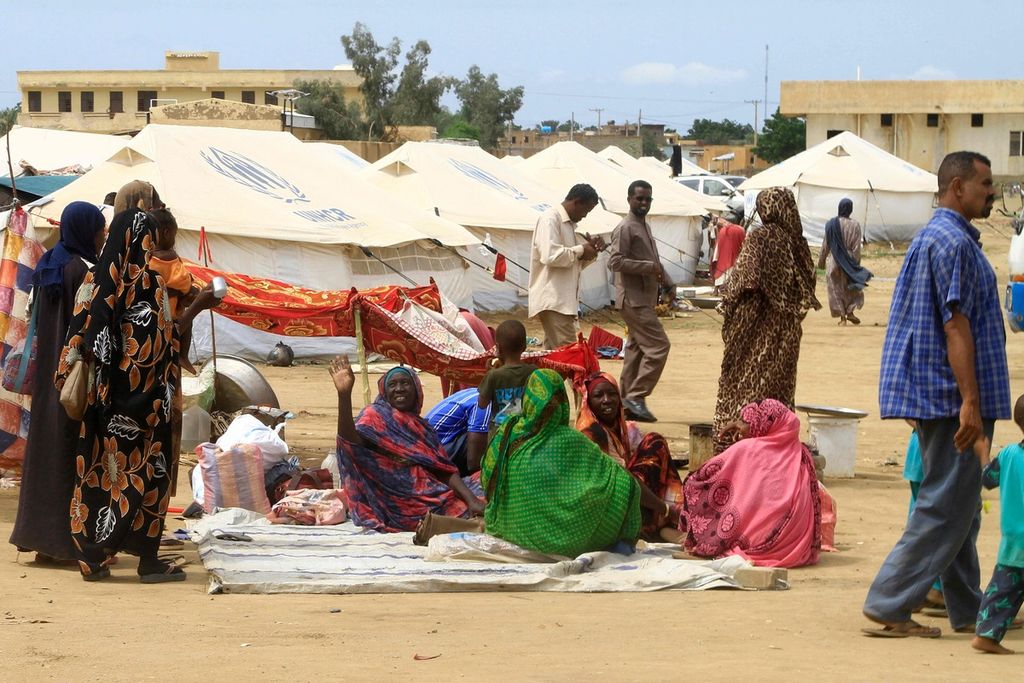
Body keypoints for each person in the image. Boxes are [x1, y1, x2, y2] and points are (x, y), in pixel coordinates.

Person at [863, 151, 1009, 639]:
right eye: (985, 183)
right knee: (946, 505)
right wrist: (970, 400)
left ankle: (968, 608)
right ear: (956, 186)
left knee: (960, 505)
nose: (992, 192)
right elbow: (955, 325)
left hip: (937, 392)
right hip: (951, 396)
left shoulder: (939, 237)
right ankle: (889, 601)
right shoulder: (951, 243)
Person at [56, 182, 220, 582]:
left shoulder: (94, 283)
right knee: (149, 478)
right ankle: (148, 560)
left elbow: (75, 342)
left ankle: (93, 556)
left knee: (99, 476)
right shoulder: (150, 286)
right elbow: (165, 342)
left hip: (103, 406)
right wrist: (198, 305)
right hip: (147, 409)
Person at [8, 202, 106, 564]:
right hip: (71, 380)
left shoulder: (50, 262)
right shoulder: (79, 270)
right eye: (99, 229)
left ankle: (40, 540)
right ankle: (64, 544)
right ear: (85, 230)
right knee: (69, 456)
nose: (102, 235)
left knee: (45, 454)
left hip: (48, 377)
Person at [481, 368, 642, 557]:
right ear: (563, 402)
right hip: (575, 540)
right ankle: (621, 543)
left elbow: (488, 478)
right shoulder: (572, 440)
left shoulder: (509, 433)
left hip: (515, 532)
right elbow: (620, 479)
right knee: (629, 486)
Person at [713, 186, 820, 453]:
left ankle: (738, 446)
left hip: (755, 327)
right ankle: (777, 443)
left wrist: (726, 301)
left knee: (744, 384)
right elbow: (807, 285)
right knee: (778, 387)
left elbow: (744, 282)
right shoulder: (799, 244)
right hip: (786, 330)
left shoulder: (761, 237)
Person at [331, 357, 485, 532]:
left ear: (417, 390)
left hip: (433, 492)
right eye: (393, 385)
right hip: (400, 503)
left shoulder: (423, 428)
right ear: (385, 392)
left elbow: (444, 471)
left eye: (405, 383)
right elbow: (349, 442)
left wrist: (472, 500)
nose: (399, 389)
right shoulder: (374, 416)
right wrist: (344, 395)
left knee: (488, 480)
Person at [684, 399, 821, 568]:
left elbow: (700, 479)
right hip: (796, 548)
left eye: (746, 422)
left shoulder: (748, 449)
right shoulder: (803, 455)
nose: (740, 427)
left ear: (761, 424)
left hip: (758, 542)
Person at [576, 372, 682, 539]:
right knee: (654, 443)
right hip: (607, 505)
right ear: (588, 401)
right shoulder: (591, 431)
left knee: (653, 448)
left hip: (619, 494)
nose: (606, 400)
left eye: (612, 394)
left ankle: (661, 521)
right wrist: (664, 508)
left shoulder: (616, 425)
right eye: (598, 395)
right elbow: (621, 479)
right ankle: (654, 523)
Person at [607, 180, 670, 423]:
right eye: (639, 199)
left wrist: (668, 282)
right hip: (633, 299)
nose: (643, 203)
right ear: (629, 199)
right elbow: (616, 262)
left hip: (644, 297)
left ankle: (625, 401)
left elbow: (654, 263)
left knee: (635, 349)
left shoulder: (642, 225)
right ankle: (636, 395)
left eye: (647, 199)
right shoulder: (625, 227)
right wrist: (649, 268)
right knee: (658, 347)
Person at [973, 394, 1024, 654]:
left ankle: (986, 634)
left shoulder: (1009, 454)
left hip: (1013, 537)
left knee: (1003, 588)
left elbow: (988, 479)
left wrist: (983, 454)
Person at [528, 184, 603, 349]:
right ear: (577, 202)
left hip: (562, 303)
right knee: (570, 354)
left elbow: (571, 263)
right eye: (586, 210)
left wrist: (591, 252)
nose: (585, 216)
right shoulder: (550, 219)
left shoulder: (569, 226)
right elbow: (550, 256)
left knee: (554, 356)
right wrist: (582, 250)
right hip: (554, 300)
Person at [817, 198, 872, 325]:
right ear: (850, 209)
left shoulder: (831, 224)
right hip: (849, 260)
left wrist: (821, 262)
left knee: (835, 289)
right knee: (850, 288)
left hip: (834, 260)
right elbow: (857, 247)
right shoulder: (855, 225)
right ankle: (850, 312)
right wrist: (855, 265)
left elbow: (826, 245)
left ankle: (842, 317)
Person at [476, 320, 536, 432]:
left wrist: (488, 375)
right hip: (525, 431)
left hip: (499, 433)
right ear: (524, 347)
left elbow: (482, 404)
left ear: (498, 348)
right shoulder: (533, 372)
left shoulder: (493, 375)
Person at [424, 387, 491, 476]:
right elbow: (473, 464)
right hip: (432, 454)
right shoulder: (486, 402)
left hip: (429, 447)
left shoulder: (476, 392)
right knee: (486, 435)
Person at [710, 213, 745, 289]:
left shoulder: (723, 230)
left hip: (723, 255)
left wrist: (715, 257)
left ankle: (716, 290)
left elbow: (718, 245)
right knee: (732, 274)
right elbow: (743, 244)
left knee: (720, 272)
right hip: (735, 256)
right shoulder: (741, 230)